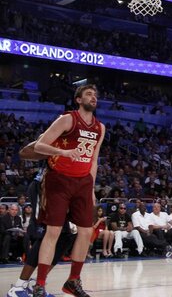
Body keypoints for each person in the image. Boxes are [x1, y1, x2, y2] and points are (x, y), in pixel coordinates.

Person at [31, 84, 106, 297]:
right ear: (78, 99)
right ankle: (40, 284)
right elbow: (38, 146)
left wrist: (91, 187)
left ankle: (73, 281)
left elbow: (93, 160)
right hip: (59, 180)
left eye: (95, 95)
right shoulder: (67, 119)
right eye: (89, 94)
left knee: (86, 232)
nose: (94, 97)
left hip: (83, 182)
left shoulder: (100, 128)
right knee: (53, 231)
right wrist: (63, 152)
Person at [6, 138, 75, 297]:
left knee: (66, 236)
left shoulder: (85, 139)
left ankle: (37, 285)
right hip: (44, 188)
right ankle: (18, 286)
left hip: (65, 190)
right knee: (44, 234)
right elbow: (24, 152)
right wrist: (53, 149)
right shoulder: (57, 134)